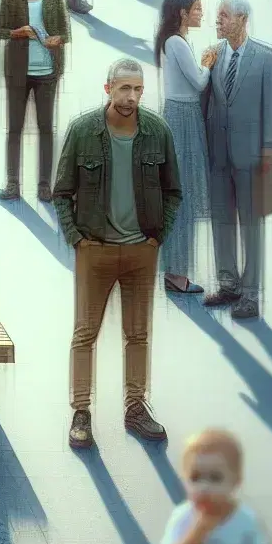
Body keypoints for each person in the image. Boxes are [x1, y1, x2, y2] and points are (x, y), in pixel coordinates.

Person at [55, 58, 180, 449]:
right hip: (95, 250)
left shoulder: (157, 131)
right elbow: (62, 192)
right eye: (124, 88)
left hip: (142, 250)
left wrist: (157, 238)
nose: (131, 97)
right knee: (84, 334)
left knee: (138, 334)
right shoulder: (83, 131)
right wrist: (77, 238)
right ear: (108, 89)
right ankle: (81, 412)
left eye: (138, 89)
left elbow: (173, 191)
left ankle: (135, 407)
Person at [198, 0, 272, 320]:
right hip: (218, 154)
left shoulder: (266, 58)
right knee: (221, 222)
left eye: (224, 16)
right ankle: (228, 284)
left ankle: (251, 295)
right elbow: (204, 102)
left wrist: (269, 152)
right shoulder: (212, 54)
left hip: (252, 158)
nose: (217, 21)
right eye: (217, 16)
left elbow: (270, 109)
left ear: (243, 19)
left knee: (251, 226)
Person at [0, 0, 67, 201]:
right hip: (17, 72)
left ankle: (44, 185)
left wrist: (56, 40)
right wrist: (18, 32)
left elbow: (64, 34)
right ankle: (13, 183)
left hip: (47, 72)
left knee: (46, 128)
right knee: (14, 128)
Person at [154, 0, 209, 294]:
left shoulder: (171, 40)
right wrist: (209, 63)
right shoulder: (176, 41)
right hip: (183, 117)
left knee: (179, 195)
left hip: (178, 114)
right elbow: (199, 82)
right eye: (197, 8)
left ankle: (175, 269)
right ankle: (177, 273)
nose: (202, 12)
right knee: (183, 198)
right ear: (182, 12)